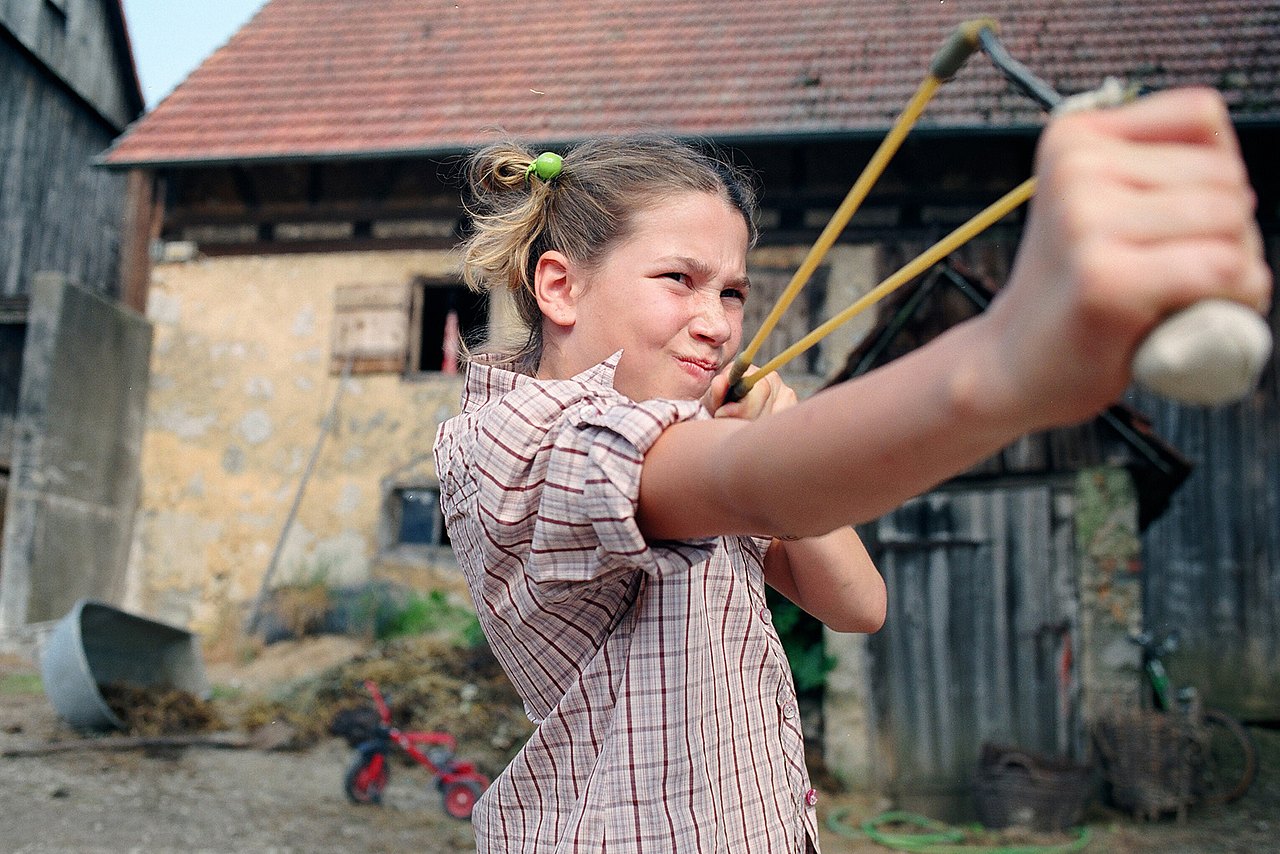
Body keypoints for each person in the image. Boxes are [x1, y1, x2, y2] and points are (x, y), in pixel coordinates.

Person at [433, 88, 1270, 852]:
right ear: (559, 286)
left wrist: (782, 439)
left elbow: (859, 604)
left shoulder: (686, 439)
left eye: (731, 292)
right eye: (679, 280)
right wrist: (1003, 363)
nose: (716, 321)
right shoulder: (518, 441)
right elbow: (745, 482)